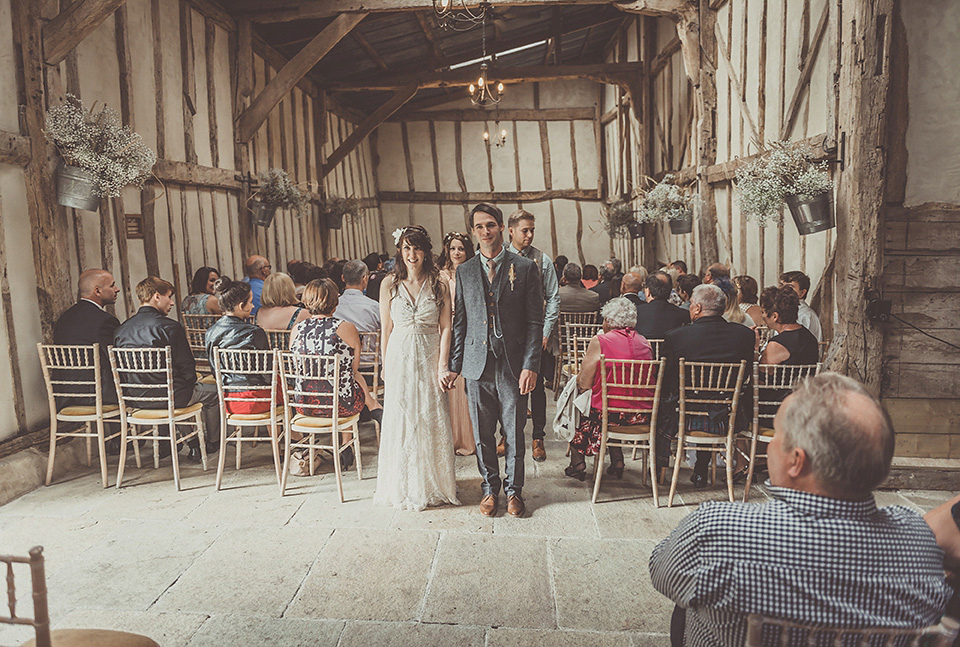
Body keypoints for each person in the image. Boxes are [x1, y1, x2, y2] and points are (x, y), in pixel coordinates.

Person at [650, 372, 953, 647]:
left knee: (690, 601)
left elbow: (661, 571)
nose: (770, 445)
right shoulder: (921, 544)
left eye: (776, 434)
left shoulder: (718, 530)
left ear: (797, 461)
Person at [443, 203, 543, 518]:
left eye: (490, 225)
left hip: (512, 364)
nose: (485, 232)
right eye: (479, 227)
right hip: (476, 364)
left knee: (513, 432)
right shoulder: (466, 271)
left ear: (501, 227)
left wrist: (531, 364)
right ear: (474, 232)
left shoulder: (525, 268)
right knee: (483, 434)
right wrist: (454, 366)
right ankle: (490, 488)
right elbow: (460, 323)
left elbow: (535, 322)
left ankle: (514, 492)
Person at [375, 226, 460, 511]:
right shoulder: (389, 283)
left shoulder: (439, 283)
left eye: (417, 248)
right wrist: (385, 366)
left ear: (426, 251)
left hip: (429, 352)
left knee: (428, 415)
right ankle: (400, 484)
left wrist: (442, 365)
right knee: (401, 416)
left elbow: (446, 326)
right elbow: (386, 329)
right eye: (407, 248)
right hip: (399, 354)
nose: (412, 254)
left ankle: (431, 483)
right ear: (400, 251)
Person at [658, 284, 754, 487]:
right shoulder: (744, 335)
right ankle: (701, 468)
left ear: (698, 308)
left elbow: (667, 380)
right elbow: (745, 375)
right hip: (727, 412)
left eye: (691, 304)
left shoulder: (676, 337)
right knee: (710, 403)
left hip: (685, 412)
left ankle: (659, 468)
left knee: (662, 403)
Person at [113, 277, 220, 459]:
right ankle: (211, 443)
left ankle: (188, 442)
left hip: (136, 399)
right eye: (169, 297)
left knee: (177, 391)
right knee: (212, 392)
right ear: (156, 296)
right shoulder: (170, 327)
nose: (171, 303)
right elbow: (187, 367)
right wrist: (191, 382)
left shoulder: (121, 330)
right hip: (171, 396)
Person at [289, 279, 382, 474]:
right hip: (340, 405)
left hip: (304, 404)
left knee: (338, 384)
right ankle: (348, 441)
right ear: (335, 301)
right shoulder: (346, 328)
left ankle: (347, 440)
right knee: (349, 379)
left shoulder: (296, 329)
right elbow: (353, 370)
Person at [566, 297, 653, 481]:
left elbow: (584, 383)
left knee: (579, 408)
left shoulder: (600, 341)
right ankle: (617, 460)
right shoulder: (645, 342)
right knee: (612, 405)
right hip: (642, 415)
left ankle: (577, 462)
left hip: (609, 414)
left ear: (609, 321)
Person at [506, 209, 559, 463]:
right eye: (525, 230)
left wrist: (545, 333)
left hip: (535, 334)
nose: (529, 235)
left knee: (536, 389)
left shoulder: (542, 260)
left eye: (532, 230)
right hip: (506, 336)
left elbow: (553, 299)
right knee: (507, 388)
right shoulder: (500, 258)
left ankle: (538, 437)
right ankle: (507, 436)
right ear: (511, 231)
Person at [53, 269, 121, 405]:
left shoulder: (63, 318)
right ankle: (123, 426)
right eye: (112, 285)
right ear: (97, 291)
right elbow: (115, 358)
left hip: (64, 393)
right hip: (95, 394)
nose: (117, 289)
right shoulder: (105, 321)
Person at [204, 277, 271, 414]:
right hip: (257, 399)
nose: (253, 306)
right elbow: (268, 374)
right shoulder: (255, 332)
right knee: (281, 384)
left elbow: (215, 371)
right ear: (241, 306)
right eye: (251, 303)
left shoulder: (210, 332)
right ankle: (286, 434)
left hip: (227, 399)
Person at [439, 231, 476, 456]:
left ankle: (465, 438)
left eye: (460, 248)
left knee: (463, 385)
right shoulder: (441, 275)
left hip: (467, 329)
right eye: (453, 248)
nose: (456, 252)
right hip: (443, 328)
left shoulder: (473, 272)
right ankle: (448, 437)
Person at [758, 286, 819, 366]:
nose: (762, 316)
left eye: (763, 312)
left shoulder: (776, 345)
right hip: (808, 379)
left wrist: (755, 350)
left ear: (775, 316)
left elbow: (761, 376)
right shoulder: (810, 337)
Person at [635, 271, 690, 340]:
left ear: (648, 291)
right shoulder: (683, 314)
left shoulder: (636, 313)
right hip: (672, 350)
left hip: (643, 349)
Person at [333, 260, 380, 333]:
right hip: (368, 344)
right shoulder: (374, 307)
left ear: (343, 278)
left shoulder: (333, 306)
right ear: (365, 279)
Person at [779, 270, 823, 342]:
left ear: (802, 293)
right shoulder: (783, 310)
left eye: (789, 287)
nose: (782, 290)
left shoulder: (805, 315)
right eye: (781, 285)